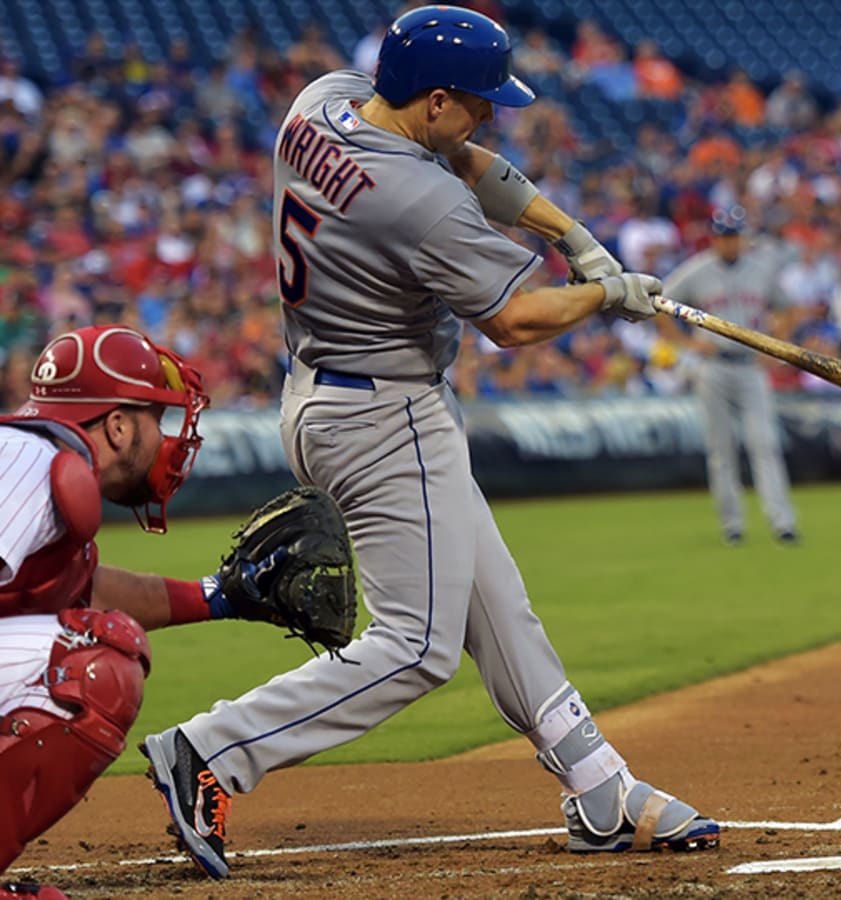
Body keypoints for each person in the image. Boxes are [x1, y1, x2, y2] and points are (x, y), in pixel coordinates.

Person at [140, 5, 718, 882]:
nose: (489, 116)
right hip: (386, 416)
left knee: (496, 605)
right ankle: (211, 749)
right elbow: (517, 319)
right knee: (416, 647)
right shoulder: (419, 200)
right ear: (436, 100)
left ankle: (600, 788)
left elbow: (468, 159)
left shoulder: (321, 102)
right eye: (479, 101)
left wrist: (572, 238)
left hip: (327, 394)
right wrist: (609, 294)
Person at [0, 325, 296, 899]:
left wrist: (222, 595)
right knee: (93, 662)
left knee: (90, 638)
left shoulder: (40, 459)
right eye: (153, 420)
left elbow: (84, 588)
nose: (167, 440)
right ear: (116, 424)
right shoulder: (31, 460)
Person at [660, 207, 799, 547]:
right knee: (721, 450)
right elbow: (660, 304)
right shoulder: (697, 270)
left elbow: (789, 308)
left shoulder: (760, 269)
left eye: (734, 235)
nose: (729, 242)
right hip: (714, 366)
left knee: (764, 443)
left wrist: (775, 345)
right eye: (724, 235)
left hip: (751, 365)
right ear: (714, 237)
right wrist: (686, 343)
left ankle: (783, 523)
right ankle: (732, 526)